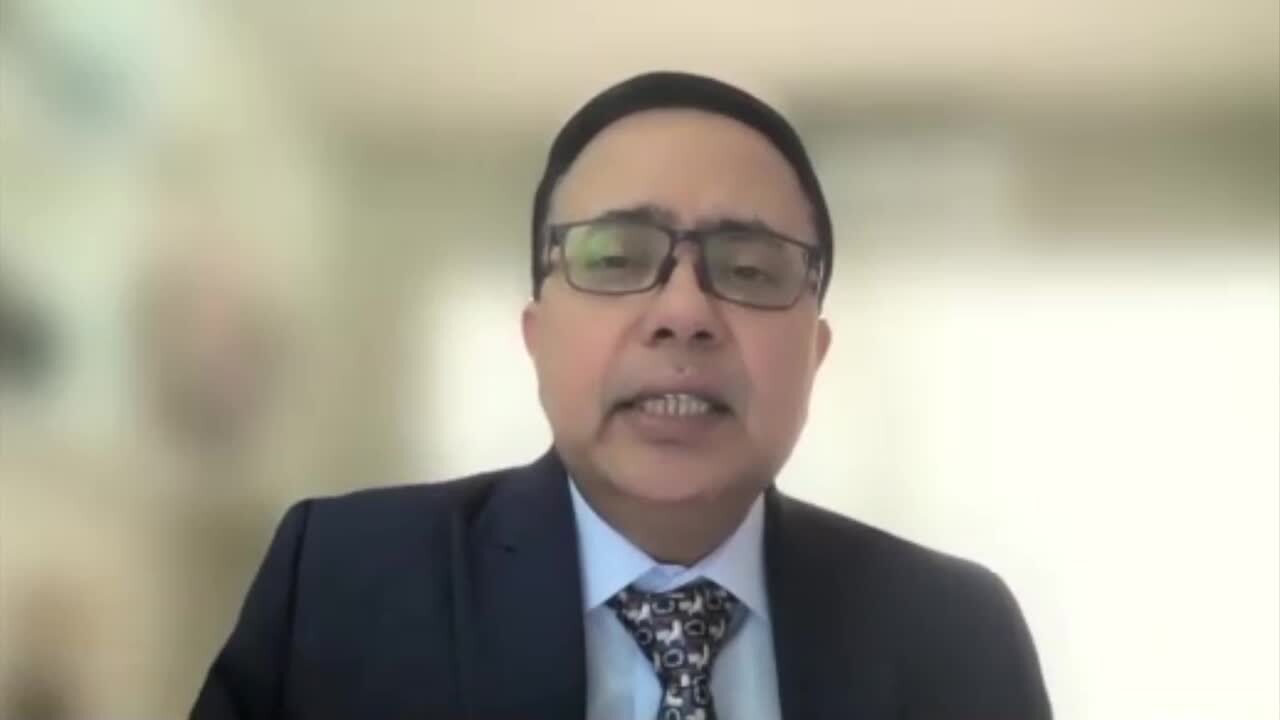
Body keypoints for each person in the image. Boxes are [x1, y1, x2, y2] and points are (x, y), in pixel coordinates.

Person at [192, 71, 1052, 720]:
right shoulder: (343, 582)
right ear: (536, 337)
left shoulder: (954, 632)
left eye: (750, 270)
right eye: (614, 258)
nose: (684, 313)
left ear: (815, 356)